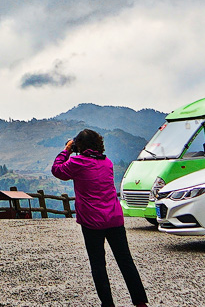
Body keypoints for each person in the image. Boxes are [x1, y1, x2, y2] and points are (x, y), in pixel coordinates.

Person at [52, 129, 148, 307]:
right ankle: (140, 302)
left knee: (98, 264)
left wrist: (66, 150)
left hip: (91, 221)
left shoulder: (77, 162)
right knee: (125, 261)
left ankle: (108, 304)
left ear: (79, 145)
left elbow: (57, 170)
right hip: (114, 218)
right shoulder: (107, 163)